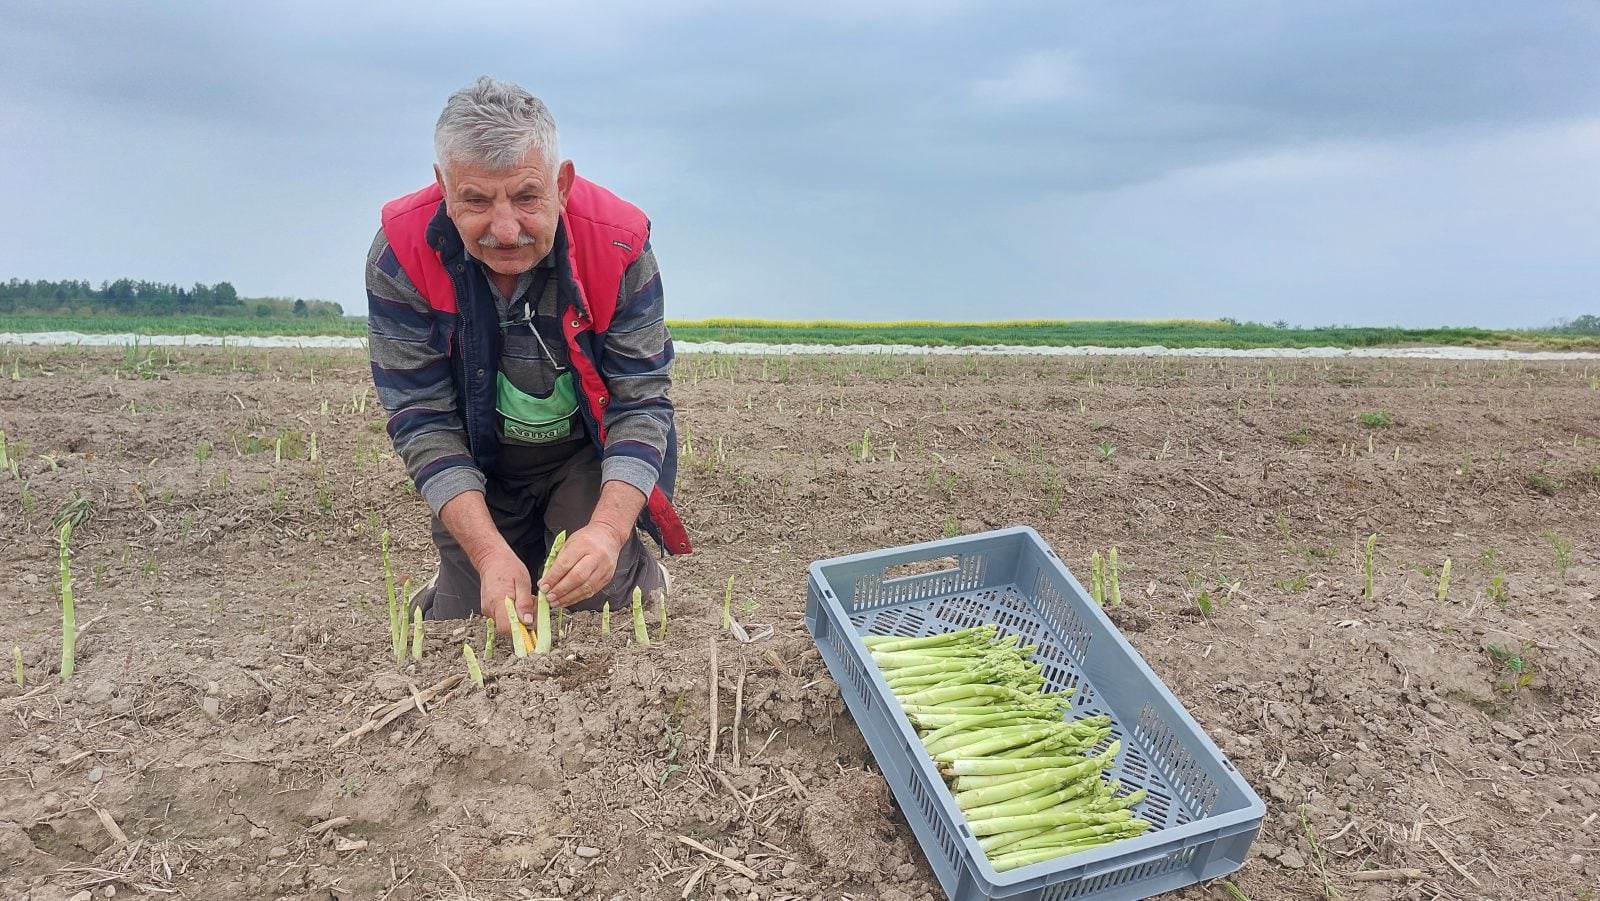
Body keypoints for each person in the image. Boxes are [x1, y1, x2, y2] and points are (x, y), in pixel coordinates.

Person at [365, 76, 691, 636]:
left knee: (595, 598)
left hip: (584, 451)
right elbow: (422, 418)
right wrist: (486, 553)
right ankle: (460, 575)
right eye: (476, 201)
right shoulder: (401, 255)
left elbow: (640, 403)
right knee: (476, 616)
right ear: (444, 187)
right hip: (482, 458)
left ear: (562, 185)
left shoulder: (618, 244)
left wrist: (607, 533)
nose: (505, 230)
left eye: (526, 197)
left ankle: (634, 567)